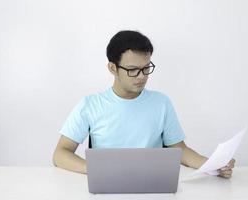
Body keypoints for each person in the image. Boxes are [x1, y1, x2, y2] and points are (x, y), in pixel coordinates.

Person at [52, 30, 235, 178]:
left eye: (146, 68)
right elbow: (60, 154)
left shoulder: (161, 103)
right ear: (113, 68)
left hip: (153, 185)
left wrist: (214, 165)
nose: (142, 77)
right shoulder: (90, 105)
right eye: (132, 70)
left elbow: (180, 150)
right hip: (107, 186)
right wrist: (95, 170)